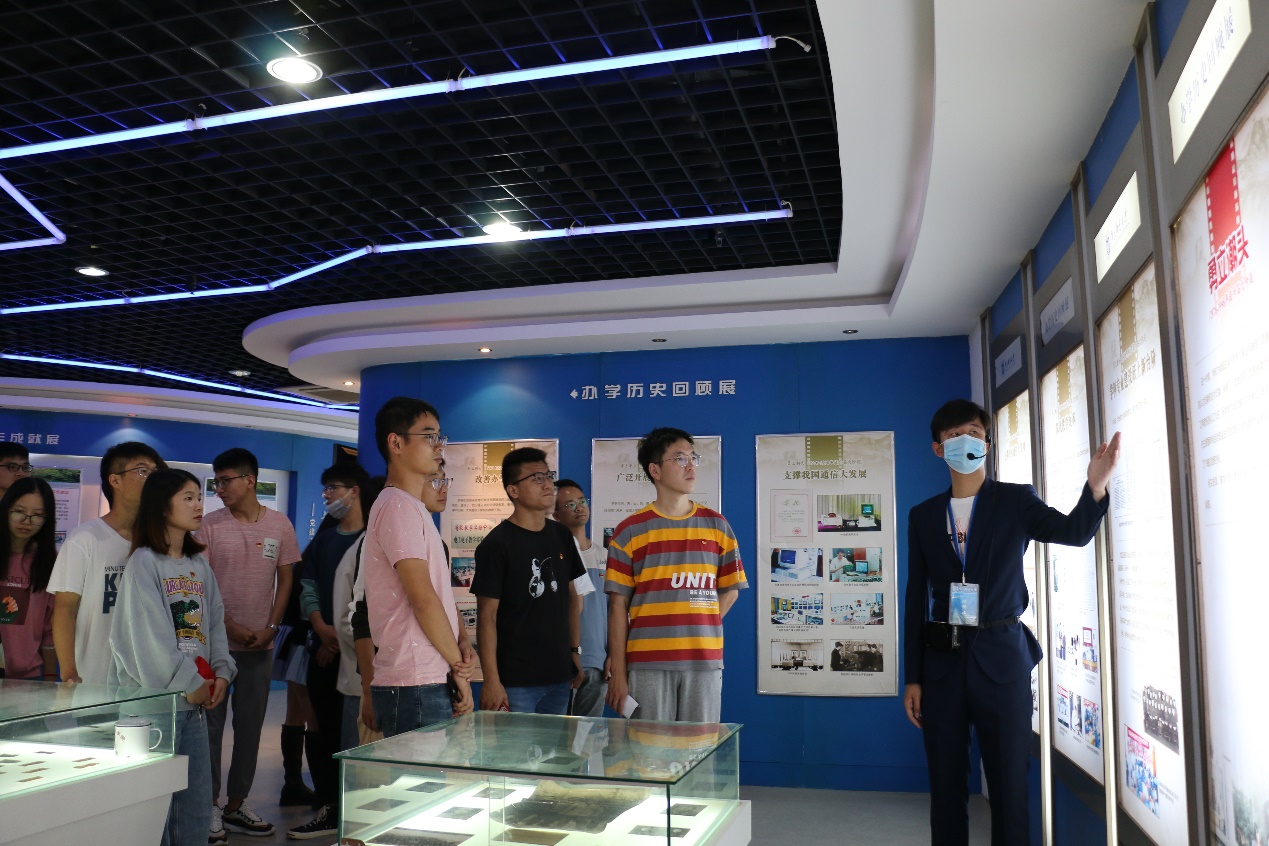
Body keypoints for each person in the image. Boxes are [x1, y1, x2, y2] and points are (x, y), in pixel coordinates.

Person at [903, 399, 1119, 846]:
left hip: (1003, 659)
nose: (967, 442)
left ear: (988, 443)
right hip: (942, 664)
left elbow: (1073, 532)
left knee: (1009, 789)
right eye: (955, 436)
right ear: (938, 448)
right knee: (945, 785)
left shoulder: (1015, 501)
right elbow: (915, 597)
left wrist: (1095, 487)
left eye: (975, 433)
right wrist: (913, 678)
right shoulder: (923, 515)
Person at [109, 468, 235, 846]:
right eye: (188, 498)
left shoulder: (200, 565)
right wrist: (189, 682)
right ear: (163, 507)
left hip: (193, 705)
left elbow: (215, 625)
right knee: (152, 811)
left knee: (194, 806)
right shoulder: (144, 562)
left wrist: (223, 673)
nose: (199, 505)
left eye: (199, 497)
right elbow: (145, 635)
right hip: (150, 708)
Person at [605, 428, 748, 722]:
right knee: (649, 747)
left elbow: (731, 590)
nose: (691, 466)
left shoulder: (717, 525)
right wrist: (618, 672)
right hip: (647, 662)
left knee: (700, 746)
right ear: (655, 470)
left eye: (693, 458)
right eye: (680, 458)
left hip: (704, 661)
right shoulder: (629, 531)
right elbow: (618, 605)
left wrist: (697, 624)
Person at [199, 447, 299, 839]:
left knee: (250, 728)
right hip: (214, 646)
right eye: (216, 482)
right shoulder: (208, 526)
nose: (219, 489)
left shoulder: (279, 525)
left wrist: (272, 626)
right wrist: (229, 626)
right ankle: (208, 805)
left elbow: (286, 579)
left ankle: (236, 804)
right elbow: (200, 585)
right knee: (209, 728)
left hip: (260, 646)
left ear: (249, 480)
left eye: (225, 481)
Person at [362, 397, 474, 737]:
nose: (439, 446)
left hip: (426, 677)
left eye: (440, 437)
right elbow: (422, 599)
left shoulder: (411, 507)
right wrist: (458, 667)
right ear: (396, 443)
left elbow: (436, 596)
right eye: (429, 436)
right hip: (414, 681)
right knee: (422, 772)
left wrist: (459, 646)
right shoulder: (397, 506)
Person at [288, 462, 371, 840]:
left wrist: (338, 639)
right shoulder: (324, 540)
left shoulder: (371, 539)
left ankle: (352, 808)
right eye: (325, 489)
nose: (327, 496)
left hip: (359, 655)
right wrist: (322, 630)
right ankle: (327, 803)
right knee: (321, 727)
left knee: (352, 733)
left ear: (355, 491)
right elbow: (308, 587)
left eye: (333, 488)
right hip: (323, 648)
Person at [472, 449, 585, 715]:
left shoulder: (561, 535)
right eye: (536, 478)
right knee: (514, 744)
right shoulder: (496, 544)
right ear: (513, 490)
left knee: (557, 743)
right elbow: (486, 616)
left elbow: (572, 596)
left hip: (559, 676)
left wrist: (574, 652)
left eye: (548, 476)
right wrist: (491, 679)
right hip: (516, 680)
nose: (547, 485)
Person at [49, 441, 166, 684]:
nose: (152, 479)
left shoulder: (161, 541)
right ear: (115, 480)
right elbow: (65, 608)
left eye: (155, 472)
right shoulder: (85, 539)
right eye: (142, 471)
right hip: (95, 677)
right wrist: (69, 671)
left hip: (150, 679)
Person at [553, 478, 608, 716]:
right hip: (562, 661)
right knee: (559, 733)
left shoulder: (605, 556)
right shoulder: (555, 555)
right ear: (556, 514)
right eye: (570, 504)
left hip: (598, 661)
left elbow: (614, 610)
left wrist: (614, 656)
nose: (579, 508)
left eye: (582, 501)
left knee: (589, 734)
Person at [0, 478, 57, 680]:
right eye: (19, 511)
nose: (27, 521)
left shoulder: (49, 561)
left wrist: (50, 676)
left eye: (38, 515)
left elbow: (49, 627)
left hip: (27, 677)